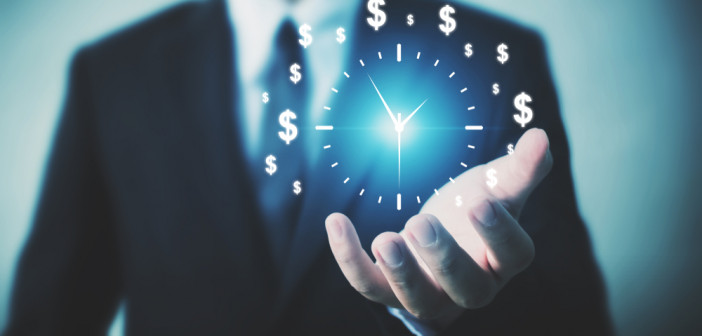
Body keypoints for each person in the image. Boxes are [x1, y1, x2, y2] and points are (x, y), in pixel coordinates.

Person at [3, 0, 611, 335]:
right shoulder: (111, 73)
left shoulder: (496, 53)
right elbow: (52, 313)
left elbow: (569, 314)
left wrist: (442, 322)